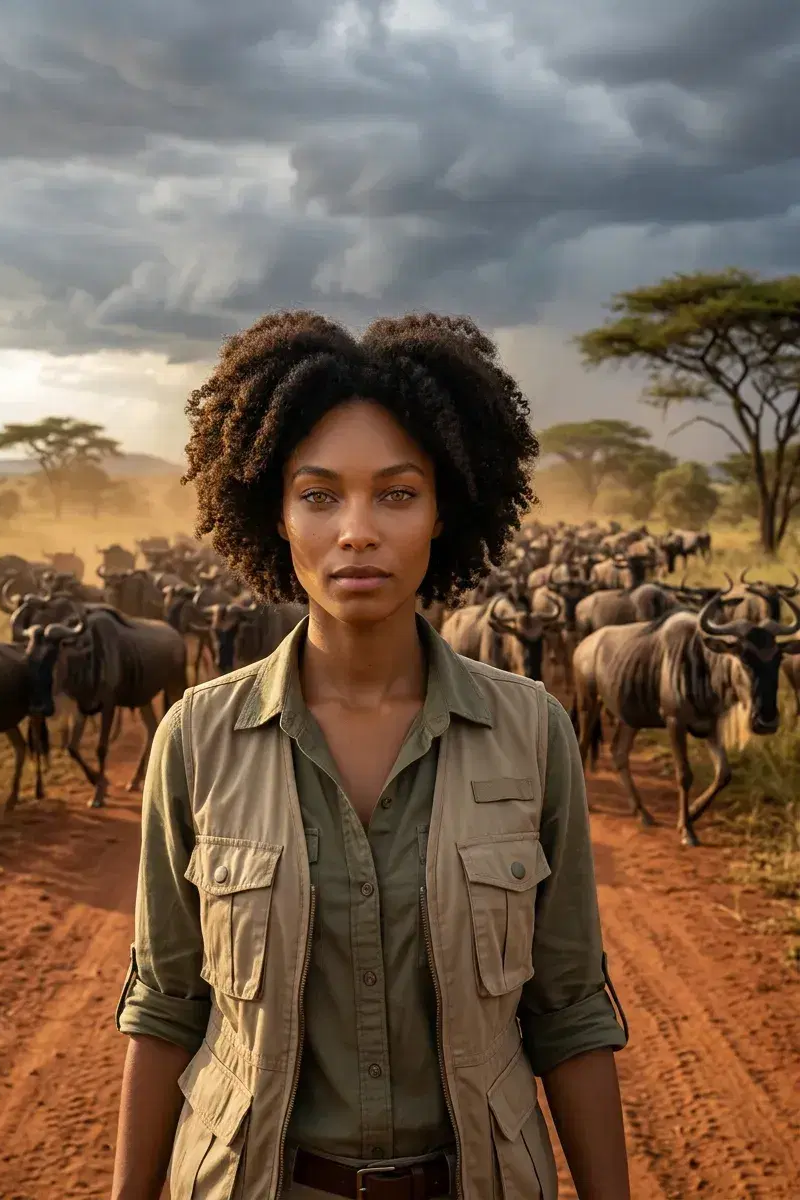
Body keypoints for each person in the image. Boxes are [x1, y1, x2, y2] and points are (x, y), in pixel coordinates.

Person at [111, 311, 630, 1200]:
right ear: (272, 513)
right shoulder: (195, 739)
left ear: (445, 511)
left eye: (397, 493)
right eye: (319, 495)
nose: (357, 530)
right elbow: (165, 1007)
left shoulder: (533, 732)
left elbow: (569, 1011)